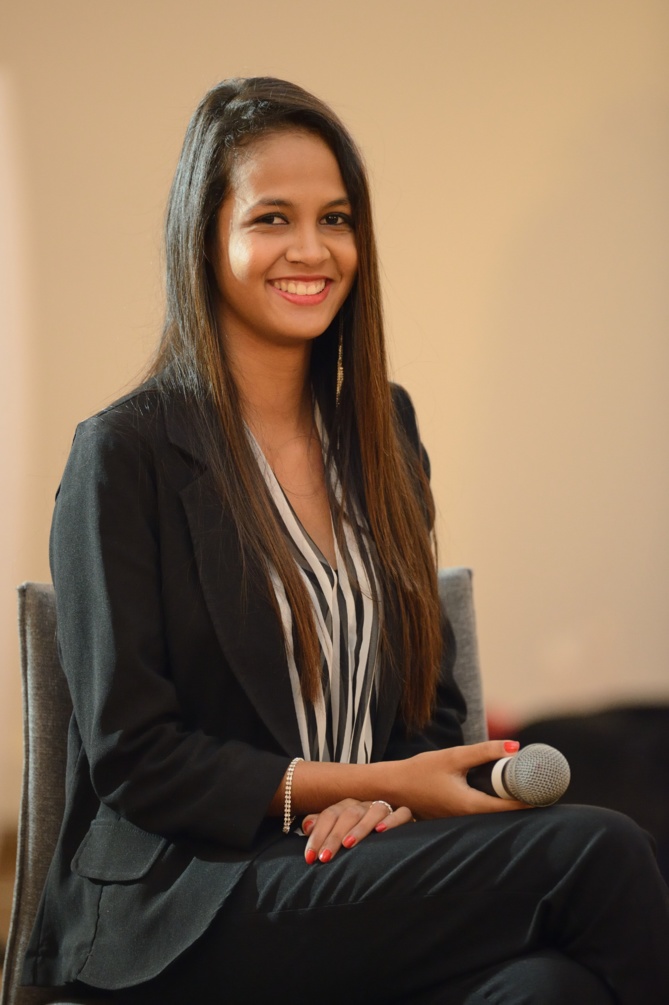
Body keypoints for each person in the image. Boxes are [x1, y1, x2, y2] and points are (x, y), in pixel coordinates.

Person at [22, 77, 669, 1005]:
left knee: (550, 987)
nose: (311, 249)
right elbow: (134, 754)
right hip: (194, 898)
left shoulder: (382, 429)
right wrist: (337, 784)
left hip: (365, 864)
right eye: (272, 218)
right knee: (601, 850)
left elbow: (430, 705)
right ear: (203, 239)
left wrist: (393, 792)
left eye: (335, 217)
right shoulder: (124, 454)